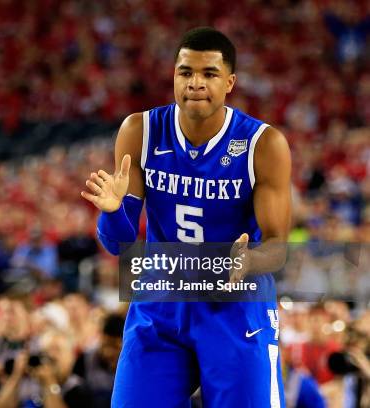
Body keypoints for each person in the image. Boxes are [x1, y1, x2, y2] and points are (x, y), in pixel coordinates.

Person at [81, 27, 291, 406]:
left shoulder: (264, 144)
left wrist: (249, 261)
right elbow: (117, 243)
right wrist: (112, 213)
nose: (195, 83)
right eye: (185, 72)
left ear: (230, 82)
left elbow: (278, 246)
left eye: (209, 74)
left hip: (234, 304)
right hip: (161, 302)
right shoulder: (140, 130)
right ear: (174, 76)